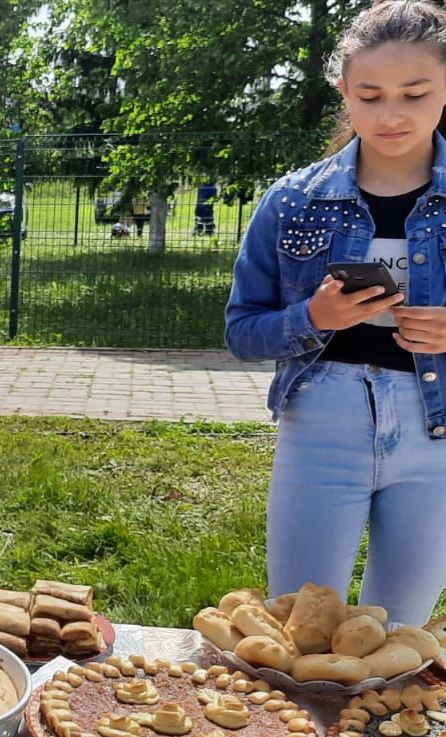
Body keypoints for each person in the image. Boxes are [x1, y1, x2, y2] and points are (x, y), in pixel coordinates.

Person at [225, 0, 446, 626]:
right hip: (320, 422)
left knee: (398, 636)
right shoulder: (293, 199)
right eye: (370, 95)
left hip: (438, 436)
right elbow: (242, 332)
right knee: (299, 629)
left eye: (415, 92)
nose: (392, 114)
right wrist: (314, 317)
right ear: (344, 91)